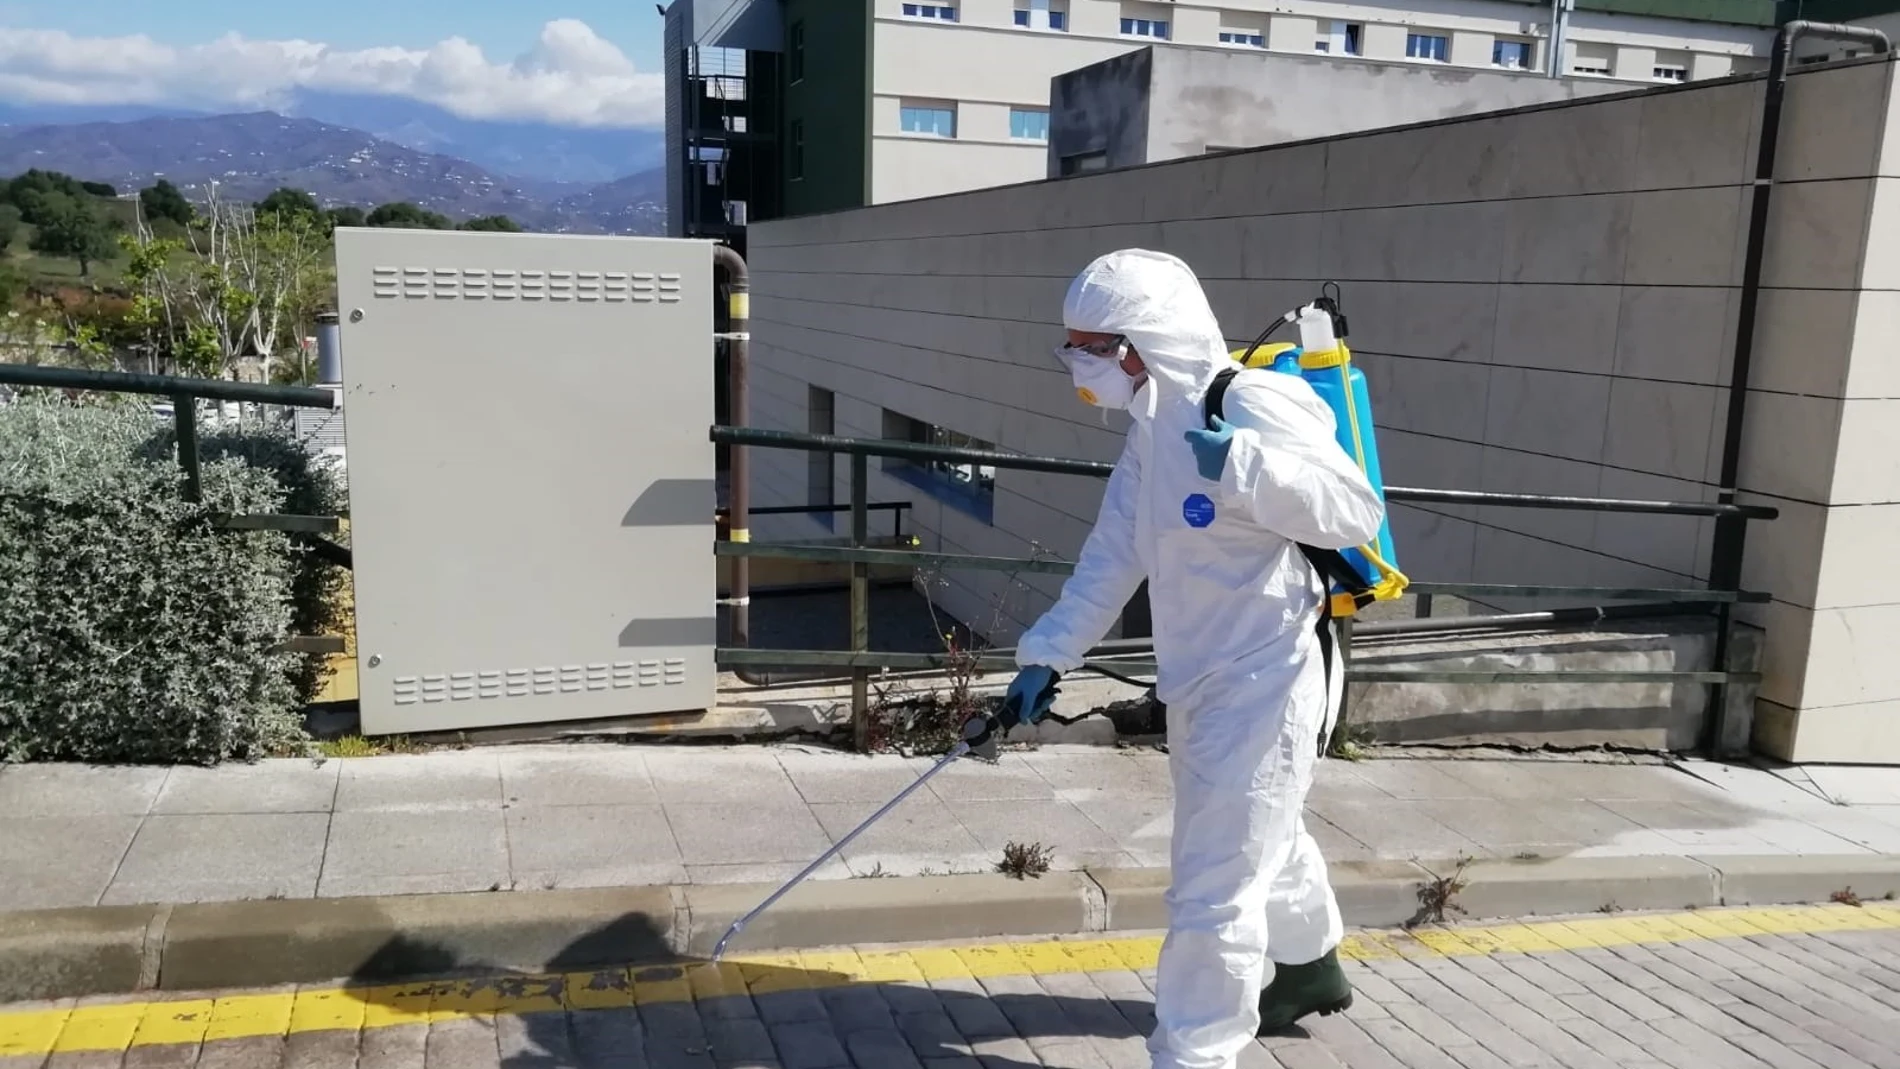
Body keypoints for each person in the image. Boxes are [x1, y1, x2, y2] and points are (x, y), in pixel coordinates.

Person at [1008, 249, 1386, 1069]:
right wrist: (1048, 654)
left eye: (1090, 347)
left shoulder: (1251, 402)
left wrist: (1245, 466)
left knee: (1214, 888)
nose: (1078, 364)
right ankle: (1311, 966)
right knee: (1261, 834)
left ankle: (1194, 1052)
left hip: (1271, 674)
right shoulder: (1150, 434)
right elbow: (1112, 555)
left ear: (1142, 344)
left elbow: (1353, 509)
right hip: (1200, 677)